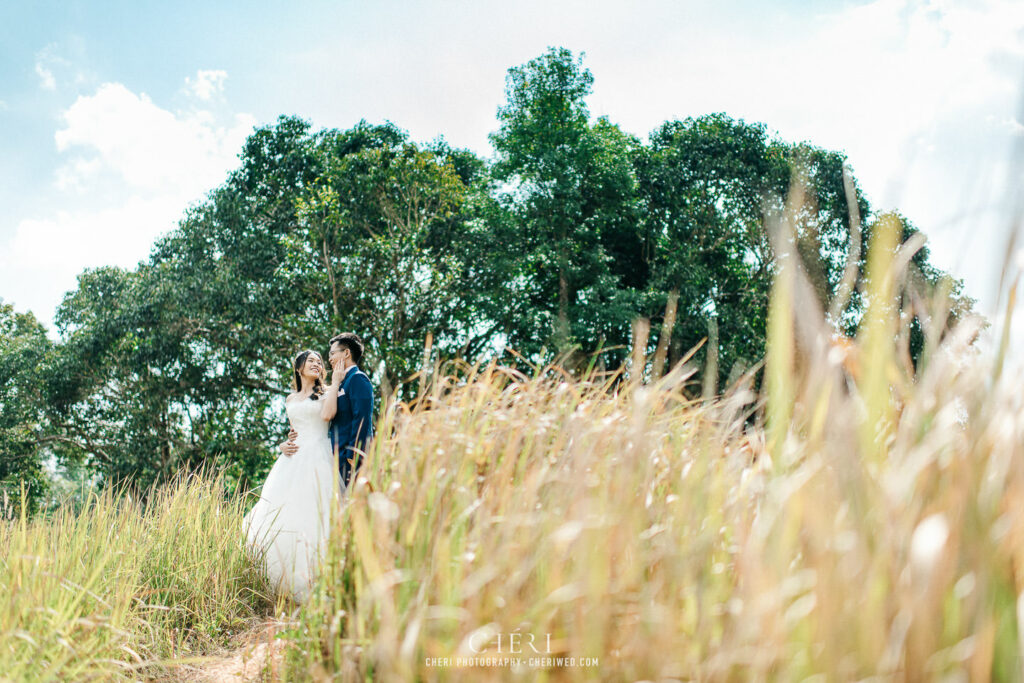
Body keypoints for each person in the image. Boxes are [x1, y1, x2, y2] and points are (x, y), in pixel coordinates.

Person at [243, 349, 343, 603]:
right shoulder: (290, 398)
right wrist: (281, 445)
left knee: (317, 515)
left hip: (319, 457)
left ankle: (321, 579)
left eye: (320, 362)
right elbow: (293, 431)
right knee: (286, 514)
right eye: (311, 361)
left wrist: (337, 383)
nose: (317, 364)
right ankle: (285, 579)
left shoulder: (328, 391)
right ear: (299, 368)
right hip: (293, 460)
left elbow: (327, 415)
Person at [282, 333, 375, 495]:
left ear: (346, 353)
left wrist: (353, 457)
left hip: (349, 459)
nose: (329, 359)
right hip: (330, 457)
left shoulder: (358, 379)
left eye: (332, 353)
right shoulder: (341, 382)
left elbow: (362, 421)